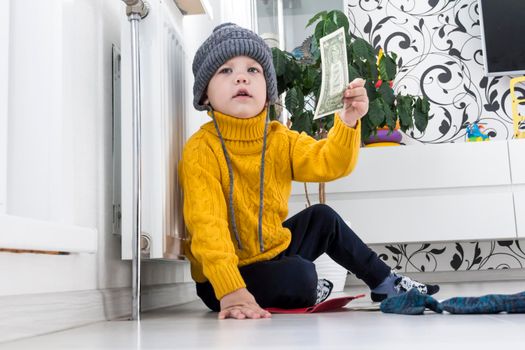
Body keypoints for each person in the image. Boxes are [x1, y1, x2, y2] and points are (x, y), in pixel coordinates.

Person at [179, 23, 439, 320]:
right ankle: (303, 286)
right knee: (301, 275)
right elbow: (207, 229)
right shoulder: (201, 150)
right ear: (205, 96)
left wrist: (349, 121)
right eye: (225, 71)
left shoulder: (280, 138)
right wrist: (230, 290)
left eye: (253, 70)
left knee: (322, 217)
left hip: (273, 253)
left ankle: (384, 283)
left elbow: (329, 162)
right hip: (223, 279)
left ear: (268, 92)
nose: (241, 76)